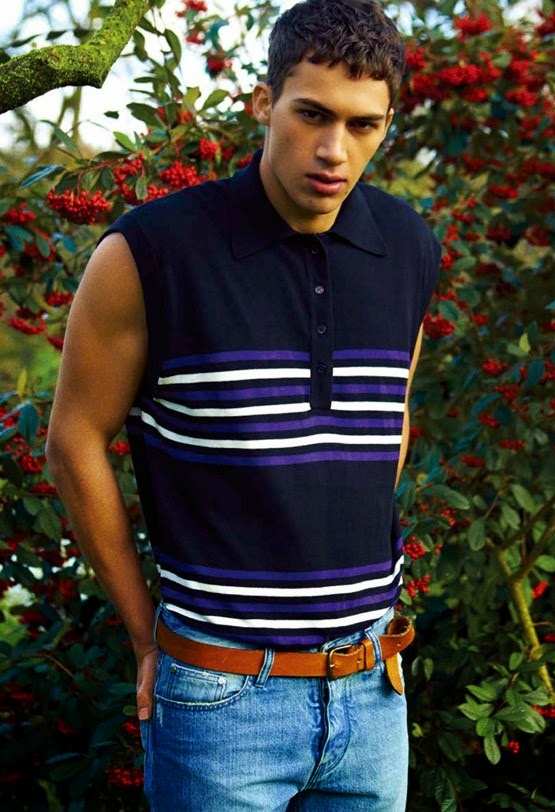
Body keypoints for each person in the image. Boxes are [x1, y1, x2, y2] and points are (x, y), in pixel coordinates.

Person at [46, 0, 441, 808]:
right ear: (265, 103)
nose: (334, 149)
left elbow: (386, 421)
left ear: (386, 124)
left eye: (363, 125)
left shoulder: (409, 246)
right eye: (312, 114)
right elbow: (73, 438)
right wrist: (143, 632)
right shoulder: (150, 251)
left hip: (373, 688)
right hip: (220, 695)